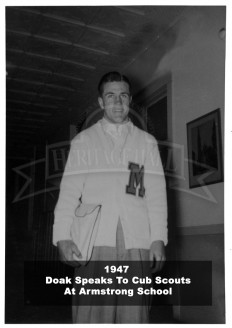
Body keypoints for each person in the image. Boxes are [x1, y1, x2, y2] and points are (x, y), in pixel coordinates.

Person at [53, 71, 168, 323]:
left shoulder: (146, 142)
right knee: (92, 314)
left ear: (130, 101)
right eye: (111, 96)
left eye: (123, 96)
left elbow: (156, 196)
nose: (118, 102)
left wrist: (158, 238)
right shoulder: (83, 141)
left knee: (134, 314)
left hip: (136, 238)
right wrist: (61, 237)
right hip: (94, 239)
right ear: (101, 102)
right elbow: (69, 192)